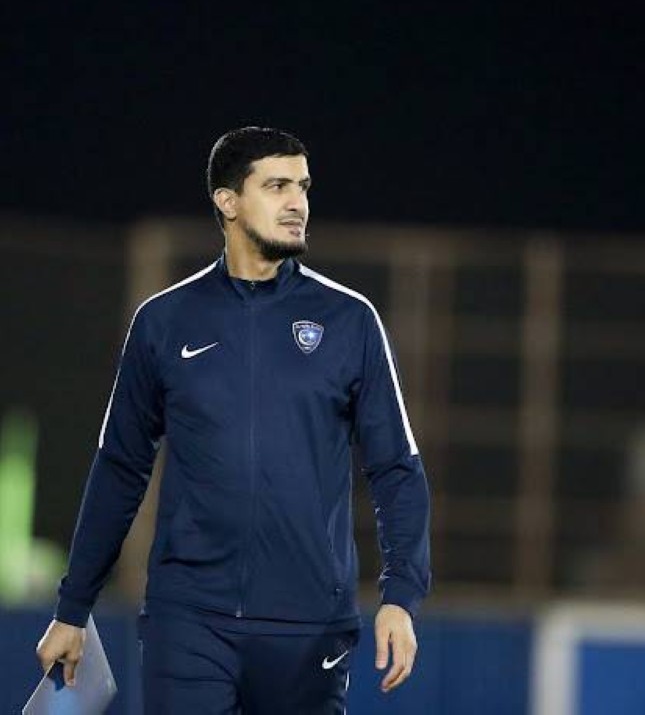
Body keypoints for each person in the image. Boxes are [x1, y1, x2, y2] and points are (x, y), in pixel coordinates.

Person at [36, 126, 432, 713]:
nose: (297, 203)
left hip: (309, 626)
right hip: (188, 618)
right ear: (227, 201)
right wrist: (73, 608)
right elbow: (119, 467)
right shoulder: (164, 322)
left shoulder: (350, 321)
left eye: (303, 187)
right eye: (276, 186)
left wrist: (400, 596)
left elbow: (396, 469)